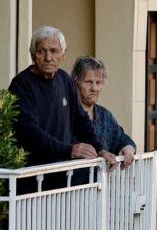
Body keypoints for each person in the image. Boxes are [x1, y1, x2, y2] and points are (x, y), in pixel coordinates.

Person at [8, 26, 115, 191]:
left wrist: (100, 150)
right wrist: (69, 150)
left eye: (54, 51)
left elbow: (81, 121)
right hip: (30, 180)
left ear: (64, 54)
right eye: (41, 51)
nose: (48, 57)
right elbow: (28, 131)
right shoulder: (22, 84)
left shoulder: (65, 80)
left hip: (62, 179)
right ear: (32, 54)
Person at [70, 56, 136, 169]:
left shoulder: (104, 116)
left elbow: (124, 140)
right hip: (68, 185)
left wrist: (129, 149)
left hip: (101, 186)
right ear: (75, 82)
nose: (94, 88)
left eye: (98, 82)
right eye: (88, 82)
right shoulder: (64, 113)